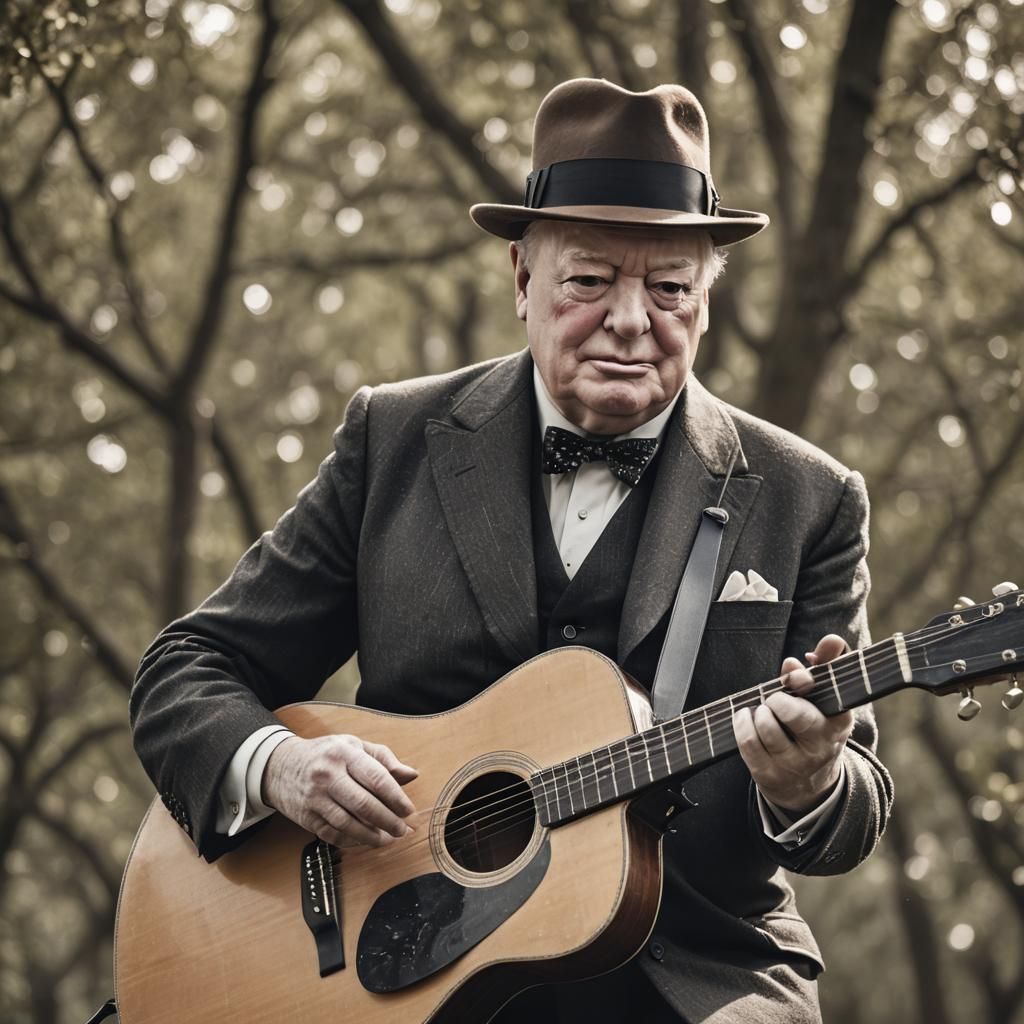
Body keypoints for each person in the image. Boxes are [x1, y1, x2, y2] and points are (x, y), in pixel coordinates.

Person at [130, 78, 893, 1023]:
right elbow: (186, 669)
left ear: (705, 300)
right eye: (589, 279)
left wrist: (809, 781)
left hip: (694, 981)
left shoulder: (811, 497)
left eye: (668, 288)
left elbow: (852, 808)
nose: (629, 319)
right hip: (394, 973)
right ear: (523, 279)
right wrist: (282, 765)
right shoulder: (393, 440)